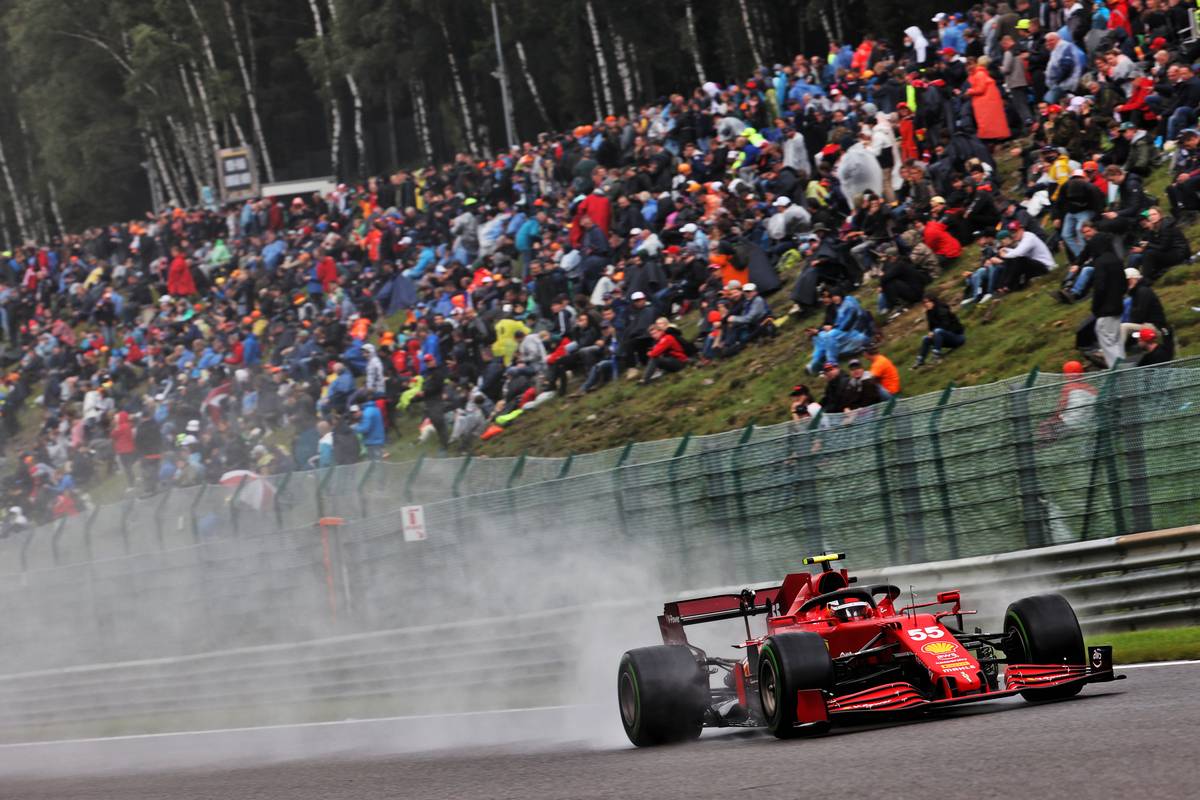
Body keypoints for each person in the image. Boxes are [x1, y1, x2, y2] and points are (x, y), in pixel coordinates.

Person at [1090, 236, 1128, 369]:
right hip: (1118, 307)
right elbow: (1124, 285)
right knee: (1117, 341)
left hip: (1105, 310)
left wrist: (1095, 307)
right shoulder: (1117, 260)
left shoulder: (1100, 262)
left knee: (1108, 342)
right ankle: (1126, 371)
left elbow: (1099, 287)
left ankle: (1119, 373)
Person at [914, 294, 965, 368]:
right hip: (946, 338)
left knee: (938, 331)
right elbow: (931, 327)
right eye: (924, 303)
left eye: (928, 302)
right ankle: (920, 360)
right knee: (926, 338)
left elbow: (946, 325)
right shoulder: (929, 313)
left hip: (958, 337)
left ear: (933, 301)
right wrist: (931, 333)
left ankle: (936, 355)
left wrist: (934, 332)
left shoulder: (942, 310)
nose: (926, 304)